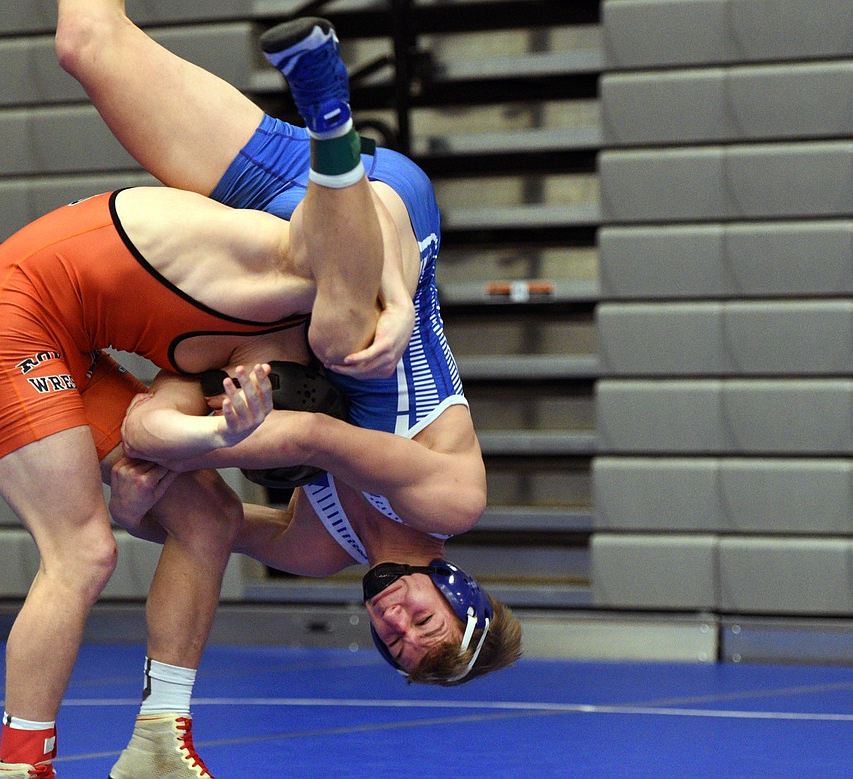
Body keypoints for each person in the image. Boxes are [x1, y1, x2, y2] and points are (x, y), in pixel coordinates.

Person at [54, 9, 522, 776]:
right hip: (385, 221)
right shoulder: (451, 500)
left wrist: (138, 508)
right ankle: (328, 102)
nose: (396, 622)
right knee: (350, 346)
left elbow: (203, 524)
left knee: (88, 47)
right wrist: (168, 442)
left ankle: (325, 127)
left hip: (287, 246)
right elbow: (310, 438)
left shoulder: (315, 546)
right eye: (422, 621)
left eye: (396, 643)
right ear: (453, 585)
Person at [0, 102, 411, 776]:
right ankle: (20, 768)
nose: (222, 397)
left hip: (66, 343)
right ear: (277, 372)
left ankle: (159, 740)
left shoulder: (219, 365)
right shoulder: (287, 274)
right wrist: (402, 296)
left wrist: (217, 429)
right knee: (82, 552)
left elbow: (143, 427)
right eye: (229, 400)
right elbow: (379, 206)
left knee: (209, 514)